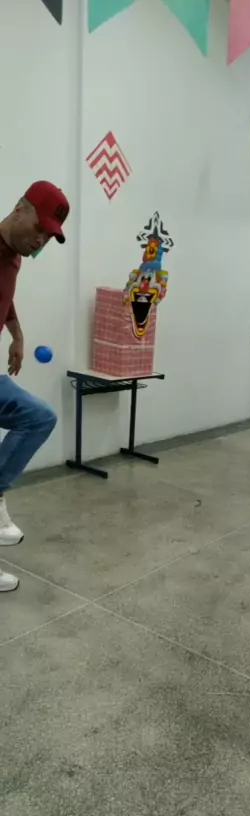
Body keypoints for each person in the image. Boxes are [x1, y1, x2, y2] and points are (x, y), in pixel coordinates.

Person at [0, 181, 69, 593]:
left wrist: (17, 334)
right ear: (19, 210)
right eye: (39, 229)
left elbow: (4, 297)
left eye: (48, 236)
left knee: (38, 417)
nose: (40, 240)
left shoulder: (14, 256)